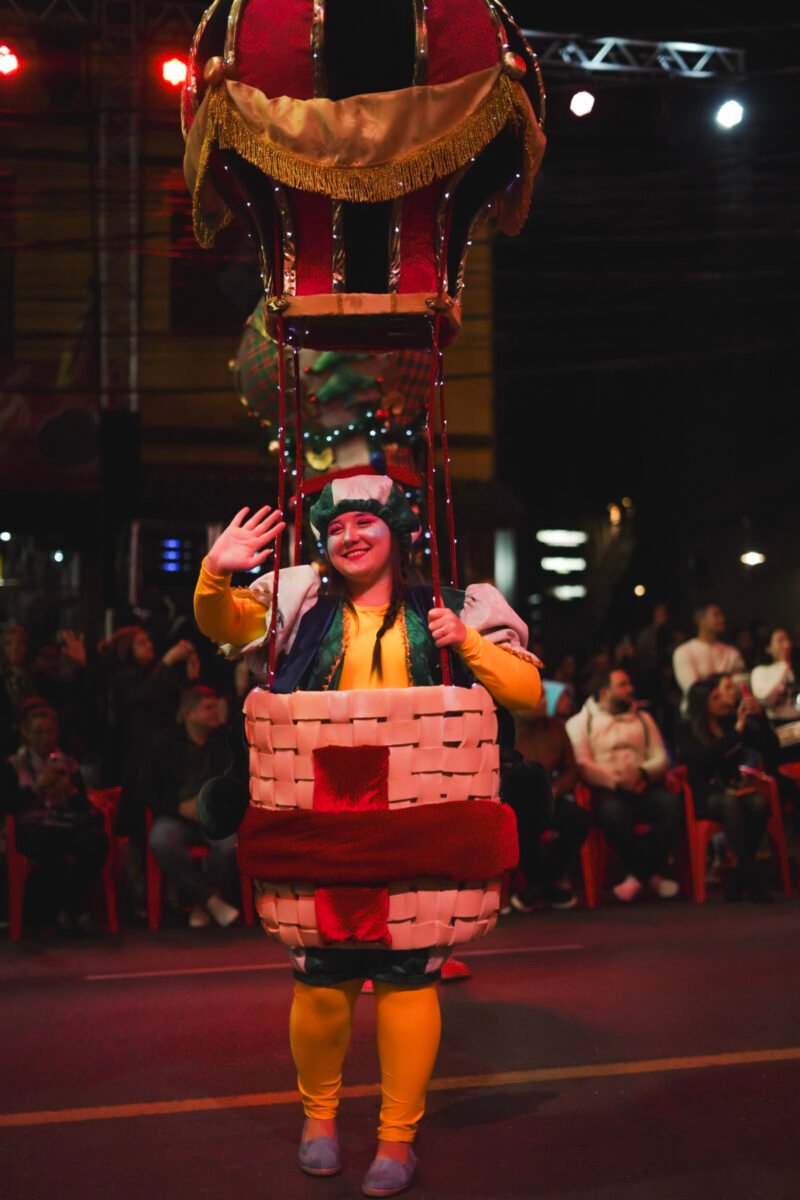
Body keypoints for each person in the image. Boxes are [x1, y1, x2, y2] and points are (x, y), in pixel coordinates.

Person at [193, 475, 541, 1197]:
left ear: (399, 532)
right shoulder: (298, 602)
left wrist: (467, 643)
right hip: (321, 812)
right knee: (322, 980)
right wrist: (215, 572)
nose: (350, 537)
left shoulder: (452, 606)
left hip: (419, 815)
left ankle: (396, 1137)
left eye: (365, 523)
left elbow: (528, 696)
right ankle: (317, 1121)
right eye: (338, 527)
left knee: (408, 977)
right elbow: (225, 625)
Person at [566, 668, 682, 903]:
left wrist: (643, 773)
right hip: (607, 789)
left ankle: (637, 876)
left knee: (673, 807)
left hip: (642, 785)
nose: (630, 689)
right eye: (623, 685)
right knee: (613, 814)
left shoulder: (643, 718)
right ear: (605, 692)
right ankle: (648, 875)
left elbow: (661, 756)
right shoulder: (581, 721)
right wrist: (616, 781)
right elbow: (582, 763)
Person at [2, 700, 108, 935]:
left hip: (66, 822)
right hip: (30, 826)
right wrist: (36, 789)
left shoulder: (68, 763)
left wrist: (69, 789)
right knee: (50, 845)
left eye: (49, 731)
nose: (44, 737)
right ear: (26, 732)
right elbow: (7, 804)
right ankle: (60, 911)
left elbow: (83, 806)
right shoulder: (13, 764)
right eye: (38, 732)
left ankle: (72, 904)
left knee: (96, 842)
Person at [139, 685, 240, 929]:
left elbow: (237, 784)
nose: (215, 712)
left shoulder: (225, 742)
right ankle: (211, 901)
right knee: (162, 840)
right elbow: (145, 790)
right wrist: (177, 806)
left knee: (232, 845)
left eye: (216, 706)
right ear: (188, 713)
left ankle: (201, 901)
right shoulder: (163, 743)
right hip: (176, 815)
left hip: (213, 815)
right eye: (207, 708)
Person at [679, 674, 779, 902]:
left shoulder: (728, 722)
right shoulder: (687, 729)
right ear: (702, 703)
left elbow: (770, 748)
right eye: (715, 697)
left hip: (734, 789)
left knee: (758, 803)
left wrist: (760, 718)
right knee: (731, 803)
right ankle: (751, 876)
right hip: (706, 794)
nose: (722, 700)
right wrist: (735, 732)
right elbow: (704, 760)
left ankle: (739, 874)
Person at [504, 682, 589, 911]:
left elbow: (571, 769)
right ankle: (543, 885)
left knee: (578, 819)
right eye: (538, 697)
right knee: (525, 823)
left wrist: (556, 788)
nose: (544, 702)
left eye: (544, 697)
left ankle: (541, 883)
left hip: (550, 796)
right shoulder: (505, 728)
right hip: (515, 800)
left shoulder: (556, 728)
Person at [672, 605, 747, 710]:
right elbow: (693, 689)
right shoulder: (684, 652)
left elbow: (742, 683)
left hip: (730, 712)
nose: (722, 619)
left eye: (721, 615)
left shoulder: (731, 652)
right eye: (716, 615)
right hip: (698, 716)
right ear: (701, 621)